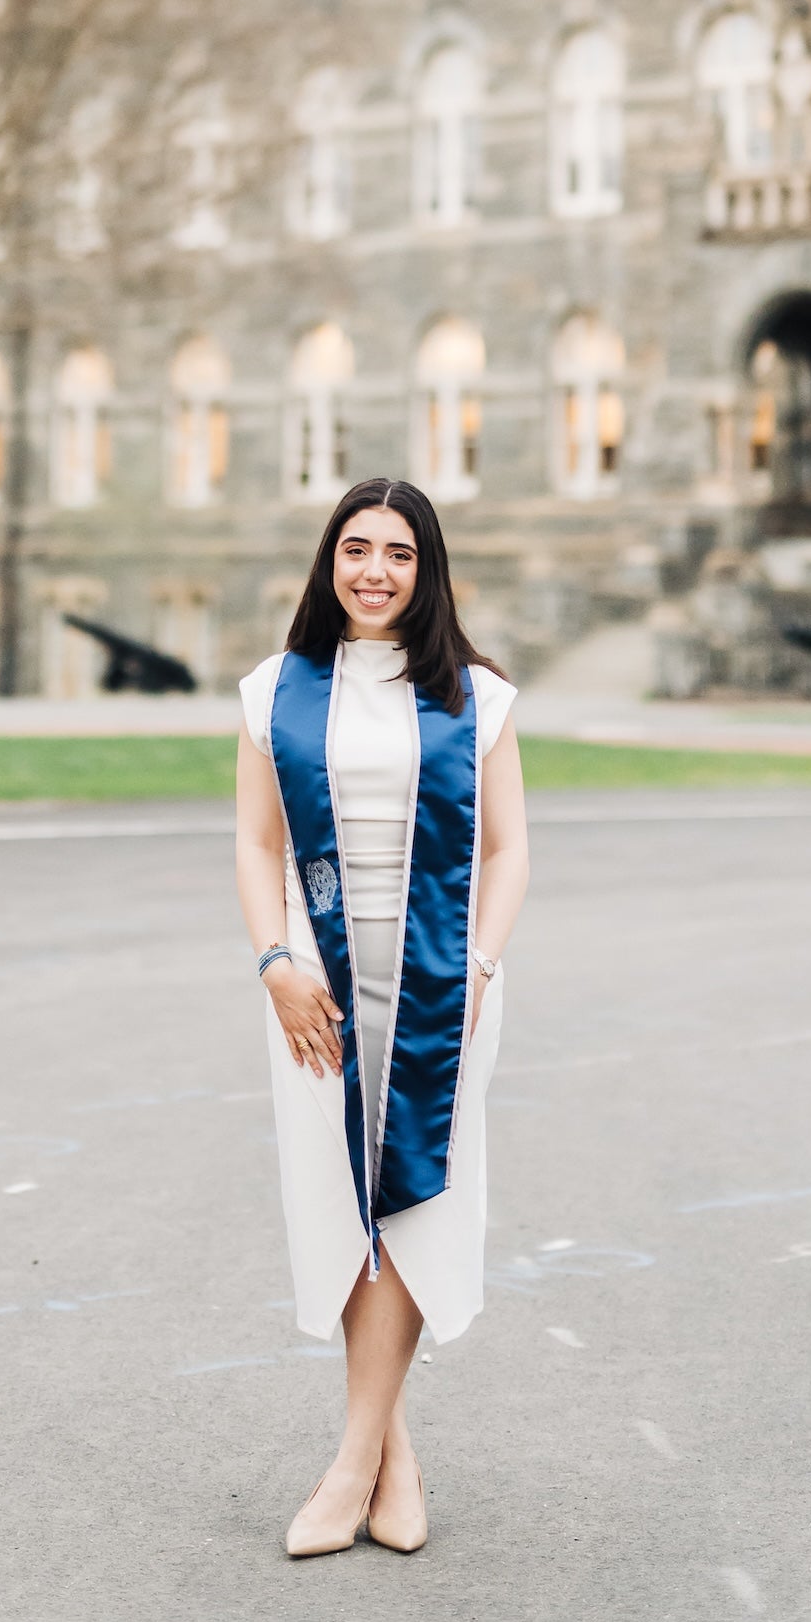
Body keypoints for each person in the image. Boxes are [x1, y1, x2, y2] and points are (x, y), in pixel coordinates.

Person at [236, 476, 530, 1559]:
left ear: (426, 569)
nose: (373, 570)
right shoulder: (275, 690)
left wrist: (483, 966)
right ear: (328, 562)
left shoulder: (474, 697)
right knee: (338, 1202)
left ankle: (349, 1462)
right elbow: (256, 843)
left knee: (409, 1202)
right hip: (315, 981)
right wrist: (272, 960)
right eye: (354, 548)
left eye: (397, 553)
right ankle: (392, 1451)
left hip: (441, 984)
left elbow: (506, 849)